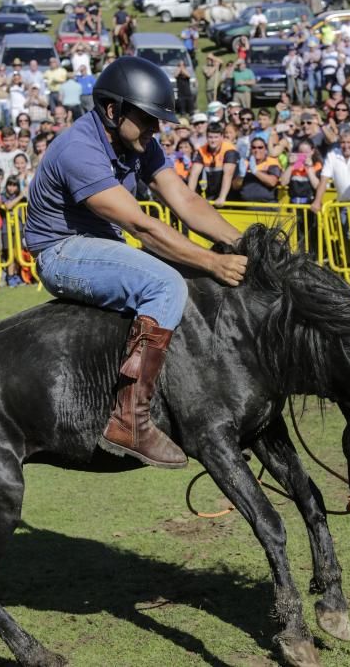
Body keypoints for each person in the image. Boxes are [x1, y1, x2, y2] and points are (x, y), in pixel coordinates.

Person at [24, 56, 247, 468]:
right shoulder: (79, 149)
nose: (156, 128)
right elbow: (142, 226)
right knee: (167, 284)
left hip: (102, 244)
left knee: (196, 272)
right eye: (148, 118)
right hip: (62, 251)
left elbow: (186, 200)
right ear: (113, 111)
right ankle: (130, 419)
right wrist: (212, 263)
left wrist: (240, 244)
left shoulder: (138, 142)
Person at [311, 130, 350, 214]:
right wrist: (317, 201)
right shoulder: (332, 154)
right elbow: (324, 180)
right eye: (343, 142)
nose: (346, 145)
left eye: (349, 142)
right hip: (342, 206)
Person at [188, 121, 240, 207]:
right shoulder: (202, 150)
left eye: (216, 137)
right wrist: (190, 197)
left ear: (222, 137)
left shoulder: (229, 150)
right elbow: (194, 174)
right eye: (210, 137)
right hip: (210, 192)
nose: (213, 140)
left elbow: (228, 175)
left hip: (229, 193)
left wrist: (222, 197)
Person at [233, 137, 281, 203]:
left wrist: (255, 172)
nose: (256, 150)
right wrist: (241, 176)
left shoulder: (271, 162)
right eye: (254, 147)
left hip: (267, 206)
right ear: (250, 149)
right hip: (246, 206)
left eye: (260, 147)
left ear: (265, 149)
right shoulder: (244, 163)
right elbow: (235, 186)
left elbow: (272, 182)